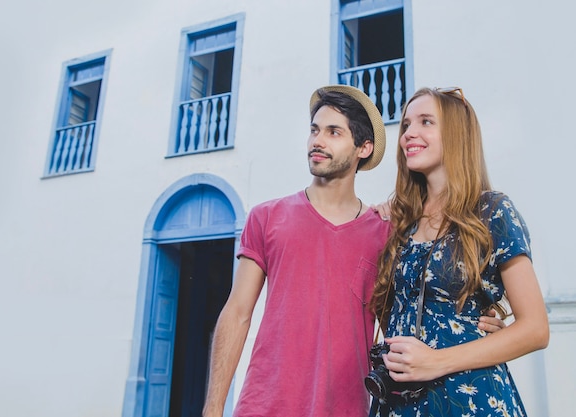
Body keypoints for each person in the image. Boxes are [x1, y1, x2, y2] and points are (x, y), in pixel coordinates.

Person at [202, 85, 505, 417]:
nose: (317, 141)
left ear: (364, 147)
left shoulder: (388, 234)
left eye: (334, 132)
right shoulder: (266, 217)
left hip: (347, 408)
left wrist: (480, 324)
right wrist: (213, 408)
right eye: (315, 130)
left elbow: (408, 315)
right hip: (264, 406)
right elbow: (237, 313)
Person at [368, 87, 549, 417]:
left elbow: (536, 329)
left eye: (426, 122)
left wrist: (435, 360)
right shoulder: (399, 221)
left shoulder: (492, 211)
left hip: (471, 400)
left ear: (456, 135)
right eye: (407, 124)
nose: (409, 133)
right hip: (399, 403)